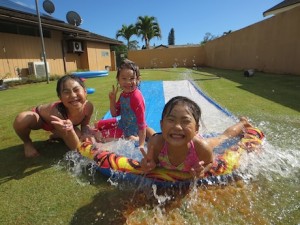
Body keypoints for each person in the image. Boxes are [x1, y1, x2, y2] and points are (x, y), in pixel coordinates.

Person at [140, 96, 254, 178]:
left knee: (222, 138)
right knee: (153, 136)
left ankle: (242, 122)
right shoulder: (156, 144)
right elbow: (151, 163)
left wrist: (202, 170)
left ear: (196, 129)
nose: (178, 127)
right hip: (162, 138)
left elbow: (210, 163)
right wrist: (148, 165)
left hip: (193, 143)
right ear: (161, 124)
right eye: (171, 120)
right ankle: (144, 127)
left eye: (185, 121)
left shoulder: (201, 147)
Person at [13, 74, 94, 158]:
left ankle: (58, 133)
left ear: (85, 91)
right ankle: (27, 143)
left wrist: (85, 134)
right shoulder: (58, 113)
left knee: (80, 136)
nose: (73, 95)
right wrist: (71, 136)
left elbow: (85, 124)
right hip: (41, 119)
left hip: (62, 125)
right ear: (60, 98)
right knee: (21, 119)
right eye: (66, 92)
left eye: (76, 90)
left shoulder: (88, 107)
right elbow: (74, 147)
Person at [95, 59, 154, 150]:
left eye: (131, 78)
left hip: (132, 130)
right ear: (118, 80)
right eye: (124, 78)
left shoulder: (136, 97)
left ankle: (137, 138)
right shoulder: (123, 94)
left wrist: (141, 144)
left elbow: (142, 123)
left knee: (100, 137)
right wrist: (112, 100)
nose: (127, 82)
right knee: (97, 125)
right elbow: (115, 114)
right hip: (122, 123)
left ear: (138, 79)